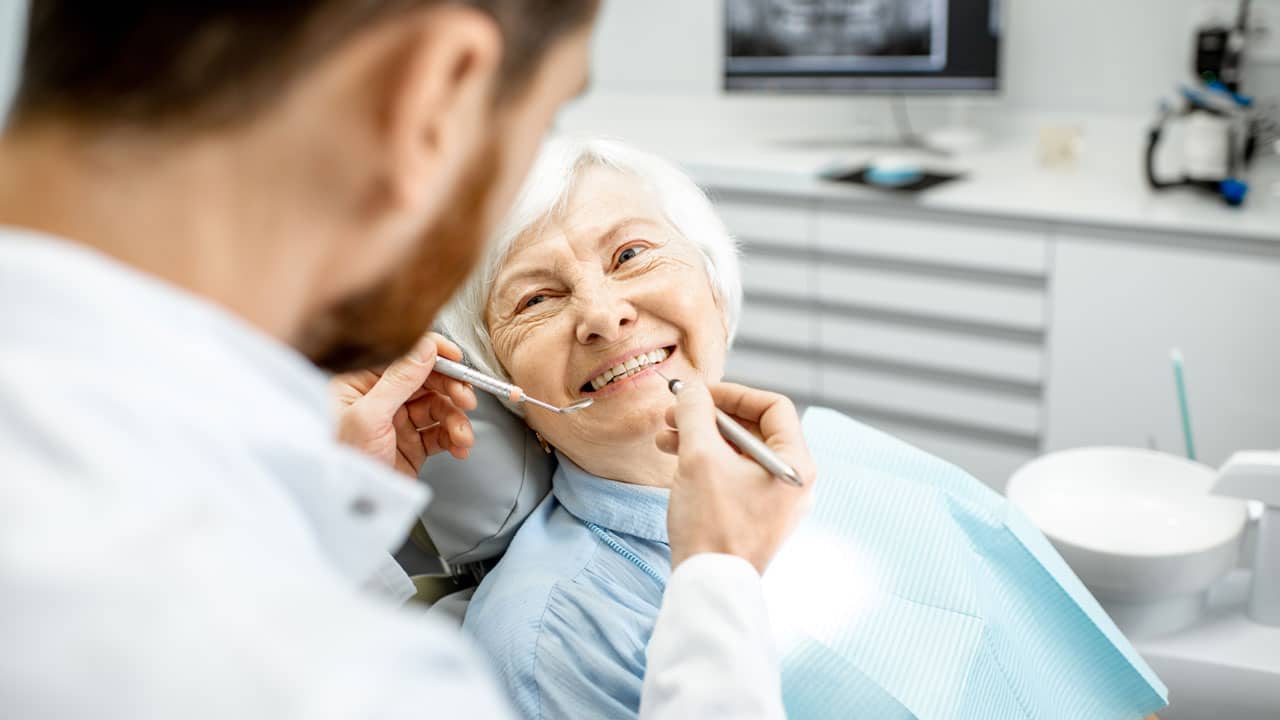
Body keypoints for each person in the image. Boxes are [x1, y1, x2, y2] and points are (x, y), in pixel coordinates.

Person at [0, 3, 814, 719]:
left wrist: (323, 509)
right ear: (436, 91)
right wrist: (717, 582)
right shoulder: (348, 679)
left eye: (633, 252)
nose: (603, 313)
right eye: (546, 118)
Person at [440, 136, 1169, 719]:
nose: (602, 314)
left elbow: (1069, 674)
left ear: (715, 289)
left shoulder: (855, 459)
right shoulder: (547, 636)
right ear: (509, 394)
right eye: (536, 298)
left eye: (630, 254)